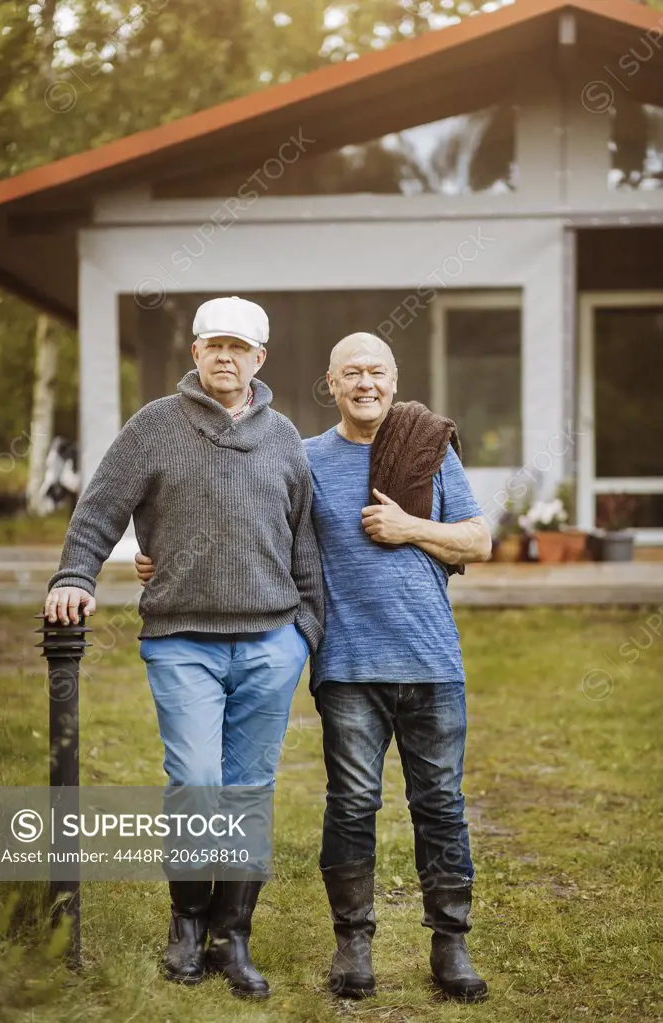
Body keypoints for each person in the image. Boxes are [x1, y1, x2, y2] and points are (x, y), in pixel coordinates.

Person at [136, 330, 492, 1002]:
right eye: (351, 372)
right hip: (347, 664)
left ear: (395, 378)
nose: (366, 383)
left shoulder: (430, 449)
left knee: (440, 804)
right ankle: (352, 943)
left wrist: (410, 527)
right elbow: (249, 526)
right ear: (330, 384)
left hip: (433, 662)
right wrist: (165, 557)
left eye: (377, 371)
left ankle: (452, 944)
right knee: (352, 806)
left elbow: (479, 538)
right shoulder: (302, 457)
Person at [44, 295, 324, 998]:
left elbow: (305, 541)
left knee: (248, 789)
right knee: (197, 781)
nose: (225, 356)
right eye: (213, 345)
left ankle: (235, 936)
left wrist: (306, 632)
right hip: (181, 641)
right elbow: (100, 505)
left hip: (270, 641)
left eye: (239, 346)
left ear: (260, 359)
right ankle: (187, 922)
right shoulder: (154, 428)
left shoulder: (285, 436)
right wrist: (76, 573)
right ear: (194, 354)